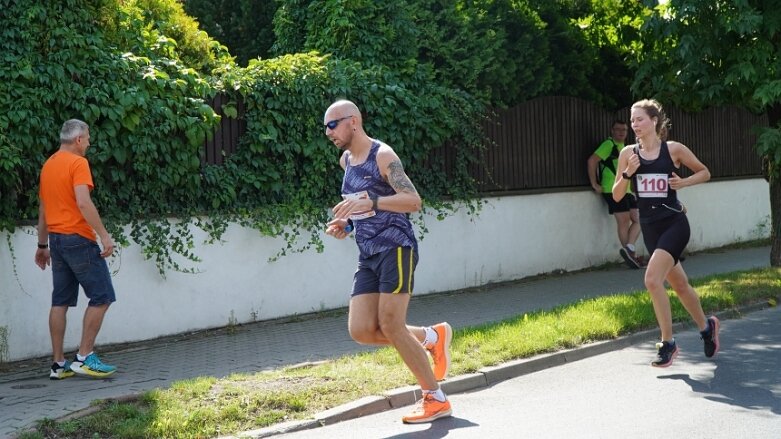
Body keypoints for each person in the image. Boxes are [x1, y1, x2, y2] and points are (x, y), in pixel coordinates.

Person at [323, 100, 453, 424]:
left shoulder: (383, 156)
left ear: (353, 121)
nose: (328, 133)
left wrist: (375, 200)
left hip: (396, 247)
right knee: (362, 329)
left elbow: (413, 201)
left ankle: (435, 398)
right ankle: (430, 337)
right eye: (325, 127)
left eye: (332, 125)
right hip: (367, 253)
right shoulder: (346, 161)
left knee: (392, 325)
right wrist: (348, 225)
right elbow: (361, 208)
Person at [612, 99, 719, 367]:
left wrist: (683, 182)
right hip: (649, 228)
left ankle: (667, 343)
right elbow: (616, 195)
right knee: (680, 285)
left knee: (651, 280)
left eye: (640, 119)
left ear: (654, 121)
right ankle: (707, 328)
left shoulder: (673, 150)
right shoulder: (628, 154)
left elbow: (705, 172)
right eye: (632, 120)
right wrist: (628, 173)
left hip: (674, 223)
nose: (635, 125)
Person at [35, 119, 118, 379]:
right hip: (78, 239)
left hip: (58, 241)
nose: (90, 143)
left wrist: (42, 244)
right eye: (89, 138)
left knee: (60, 301)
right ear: (79, 139)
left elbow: (44, 209)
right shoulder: (78, 163)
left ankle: (59, 364)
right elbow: (83, 202)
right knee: (102, 296)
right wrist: (104, 236)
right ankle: (84, 357)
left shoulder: (48, 165)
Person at [588, 120, 643, 268]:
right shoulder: (608, 145)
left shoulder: (624, 147)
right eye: (618, 129)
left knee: (639, 219)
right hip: (612, 189)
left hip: (627, 190)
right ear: (612, 131)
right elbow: (592, 161)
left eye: (624, 130)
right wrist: (594, 184)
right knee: (624, 221)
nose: (621, 132)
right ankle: (631, 256)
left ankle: (629, 249)